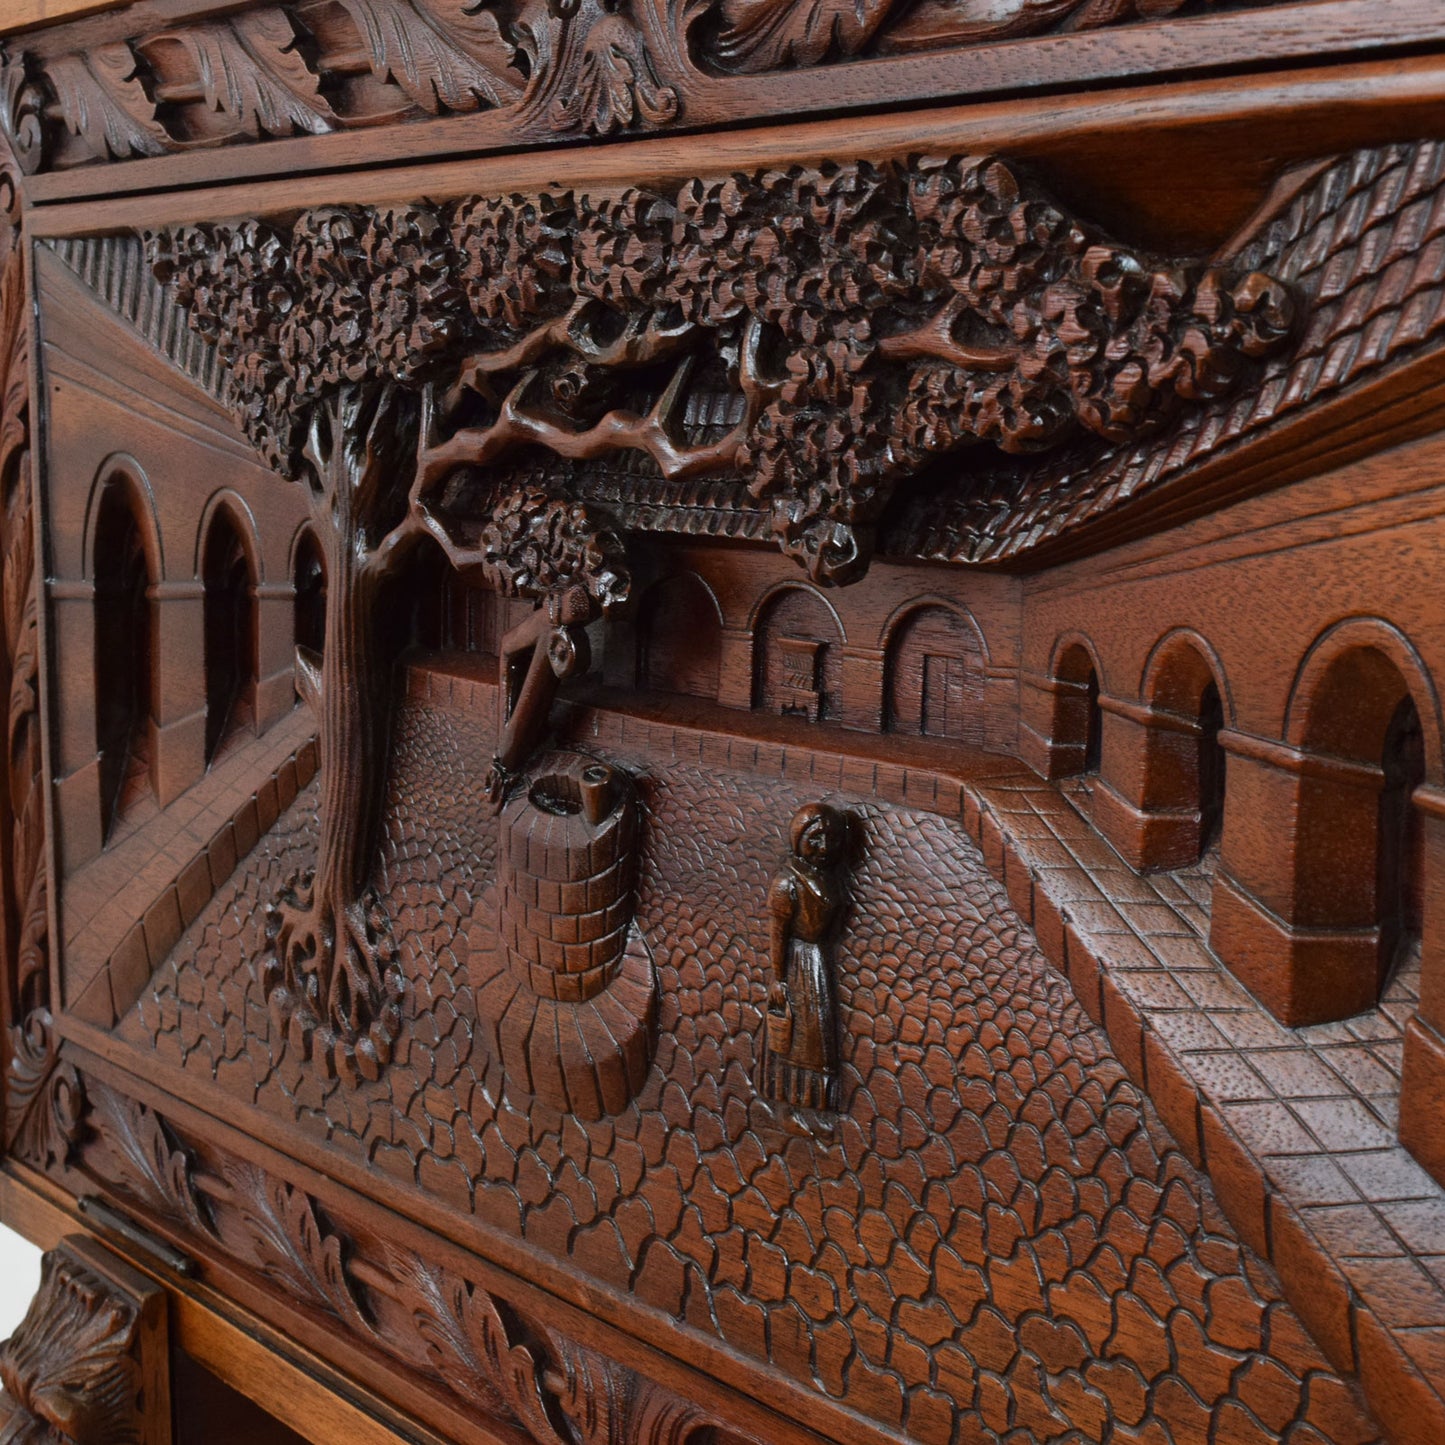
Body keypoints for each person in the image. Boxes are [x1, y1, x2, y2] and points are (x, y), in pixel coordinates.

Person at [762, 801, 851, 1132]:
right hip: (798, 965)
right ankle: (788, 1110)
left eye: (829, 839)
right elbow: (777, 935)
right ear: (798, 839)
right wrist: (779, 980)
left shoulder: (823, 878)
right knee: (796, 1038)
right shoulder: (787, 883)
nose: (823, 848)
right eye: (814, 839)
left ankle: (814, 1107)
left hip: (817, 964)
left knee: (817, 1041)